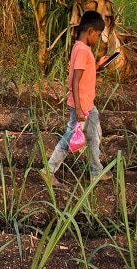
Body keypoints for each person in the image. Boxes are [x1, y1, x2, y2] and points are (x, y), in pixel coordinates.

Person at [40, 10, 113, 186]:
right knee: (69, 139)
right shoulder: (82, 51)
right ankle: (48, 171)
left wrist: (98, 65)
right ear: (90, 32)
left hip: (89, 105)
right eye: (98, 35)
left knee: (95, 136)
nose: (98, 39)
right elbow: (75, 80)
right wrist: (79, 108)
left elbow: (85, 72)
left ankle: (96, 171)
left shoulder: (81, 48)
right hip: (82, 107)